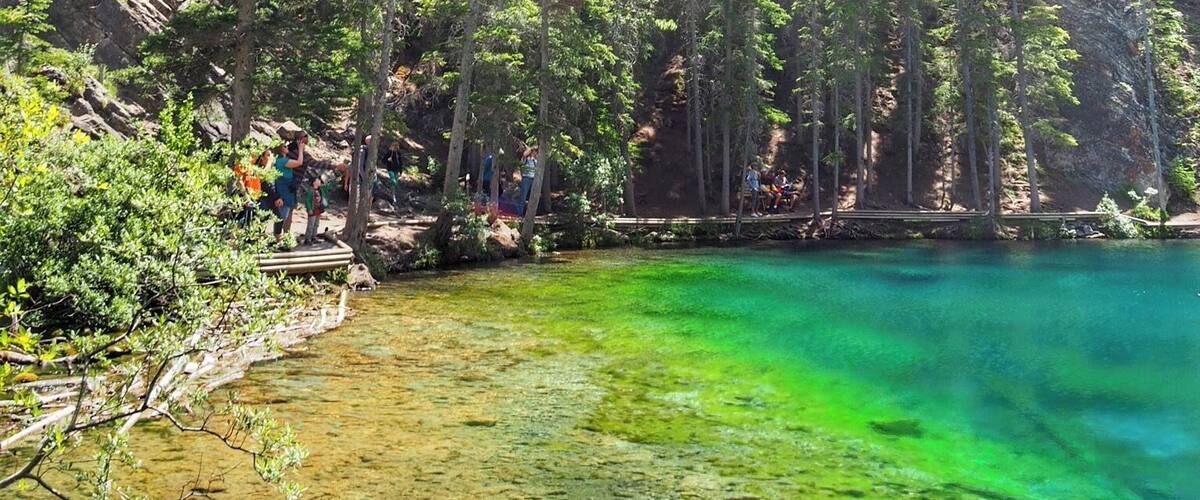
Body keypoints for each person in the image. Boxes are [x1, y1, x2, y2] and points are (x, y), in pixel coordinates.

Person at [274, 139, 305, 240]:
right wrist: (300, 149)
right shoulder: (283, 161)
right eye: (285, 147)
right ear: (281, 149)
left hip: (284, 189)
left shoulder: (278, 160)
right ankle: (278, 237)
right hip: (284, 190)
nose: (287, 148)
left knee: (282, 215)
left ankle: (279, 236)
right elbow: (299, 162)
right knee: (282, 215)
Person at [303, 174, 331, 245]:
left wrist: (334, 181)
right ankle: (307, 239)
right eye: (318, 180)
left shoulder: (320, 189)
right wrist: (309, 209)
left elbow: (329, 187)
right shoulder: (310, 190)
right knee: (311, 225)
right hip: (313, 210)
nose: (319, 181)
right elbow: (307, 200)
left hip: (318, 210)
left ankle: (314, 237)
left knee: (316, 224)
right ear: (314, 182)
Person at [519, 147, 538, 216]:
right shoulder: (526, 159)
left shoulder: (536, 161)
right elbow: (521, 163)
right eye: (535, 151)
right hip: (526, 178)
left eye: (536, 151)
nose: (536, 153)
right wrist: (525, 155)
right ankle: (520, 213)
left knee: (532, 197)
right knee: (523, 196)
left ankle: (530, 213)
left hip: (533, 179)